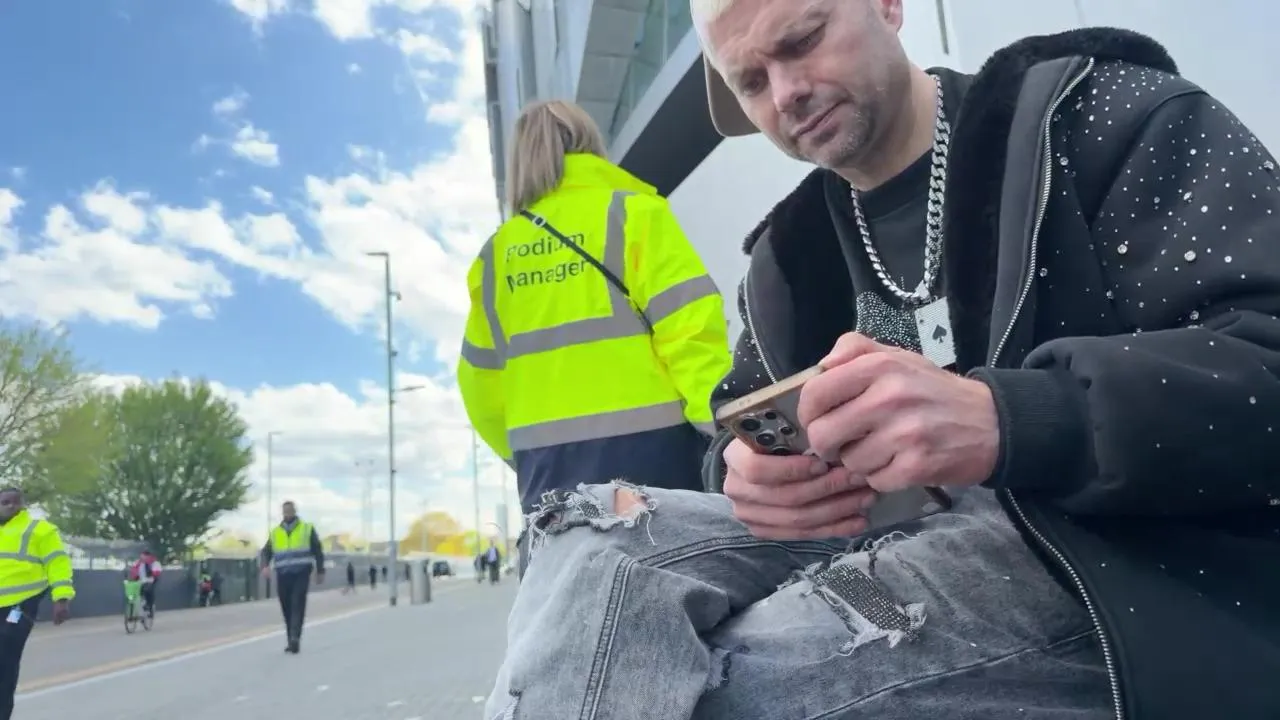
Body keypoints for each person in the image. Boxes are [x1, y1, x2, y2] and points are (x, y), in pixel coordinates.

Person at [484, 2, 1280, 719]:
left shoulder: (1096, 114)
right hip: (875, 552)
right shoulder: (786, 260)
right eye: (751, 81)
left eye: (802, 39)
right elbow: (737, 421)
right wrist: (744, 475)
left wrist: (1013, 419)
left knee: (727, 683)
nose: (787, 92)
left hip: (1111, 568)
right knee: (588, 536)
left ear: (889, 6)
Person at [457, 99, 734, 524]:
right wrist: (726, 431)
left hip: (548, 473)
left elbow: (480, 387)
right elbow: (689, 332)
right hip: (657, 456)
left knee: (574, 569)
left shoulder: (494, 257)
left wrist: (526, 455)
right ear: (588, 141)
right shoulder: (633, 213)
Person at [0, 488, 72, 720]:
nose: (9, 506)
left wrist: (61, 597)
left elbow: (57, 563)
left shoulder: (39, 529)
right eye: (4, 502)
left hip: (19, 606)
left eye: (14, 502)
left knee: (4, 658)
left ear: (23, 505)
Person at [260, 501, 324, 654]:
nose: (288, 513)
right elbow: (266, 551)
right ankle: (290, 638)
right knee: (286, 606)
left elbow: (317, 550)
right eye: (285, 511)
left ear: (295, 511)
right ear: (282, 513)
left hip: (301, 572)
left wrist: (320, 570)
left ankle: (295, 638)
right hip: (283, 574)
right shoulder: (276, 532)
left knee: (297, 603)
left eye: (290, 510)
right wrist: (265, 565)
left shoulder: (306, 528)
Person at [128, 549, 162, 616]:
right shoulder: (138, 563)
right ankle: (132, 611)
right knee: (132, 591)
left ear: (148, 556)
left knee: (148, 590)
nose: (142, 558)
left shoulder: (155, 563)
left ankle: (150, 606)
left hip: (150, 581)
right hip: (140, 581)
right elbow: (133, 570)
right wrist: (134, 576)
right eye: (142, 556)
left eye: (144, 556)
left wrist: (152, 573)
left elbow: (157, 572)